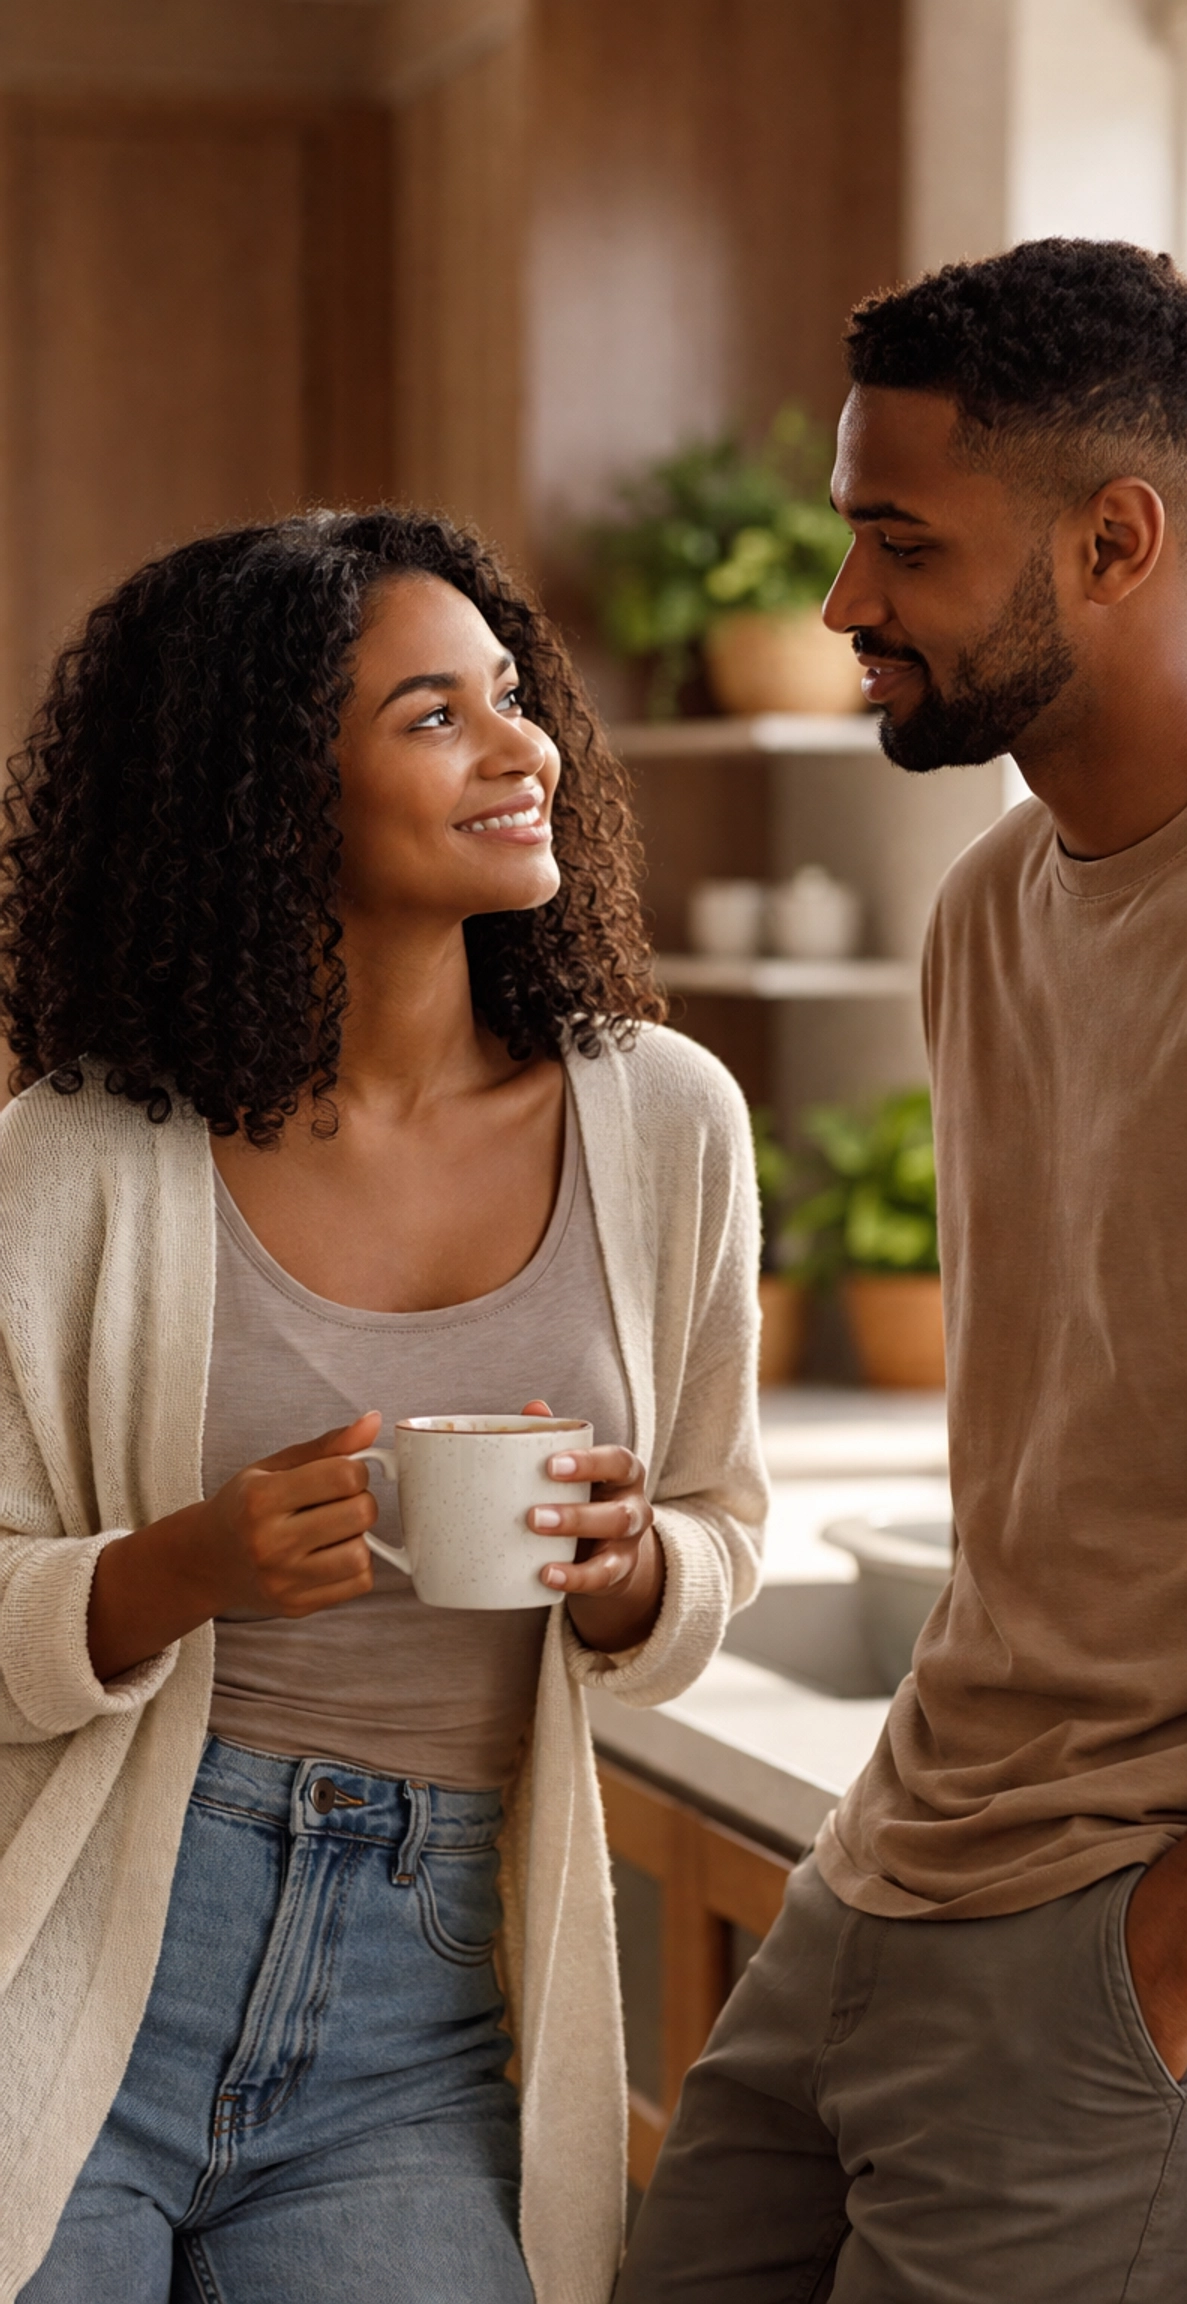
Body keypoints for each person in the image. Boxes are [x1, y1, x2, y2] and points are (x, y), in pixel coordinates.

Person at [616, 239, 1187, 2304]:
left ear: (1116, 541)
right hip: (908, 1859)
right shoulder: (993, 908)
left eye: (896, 546)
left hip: (1159, 1927)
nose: (844, 605)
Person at [0, 509, 765, 2304]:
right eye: (434, 718)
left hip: (418, 1999)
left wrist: (635, 1569)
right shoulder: (73, 1166)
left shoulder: (668, 1125)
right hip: (85, 1935)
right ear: (270, 794)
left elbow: (720, 1525)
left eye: (514, 696)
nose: (524, 751)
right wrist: (185, 1566)